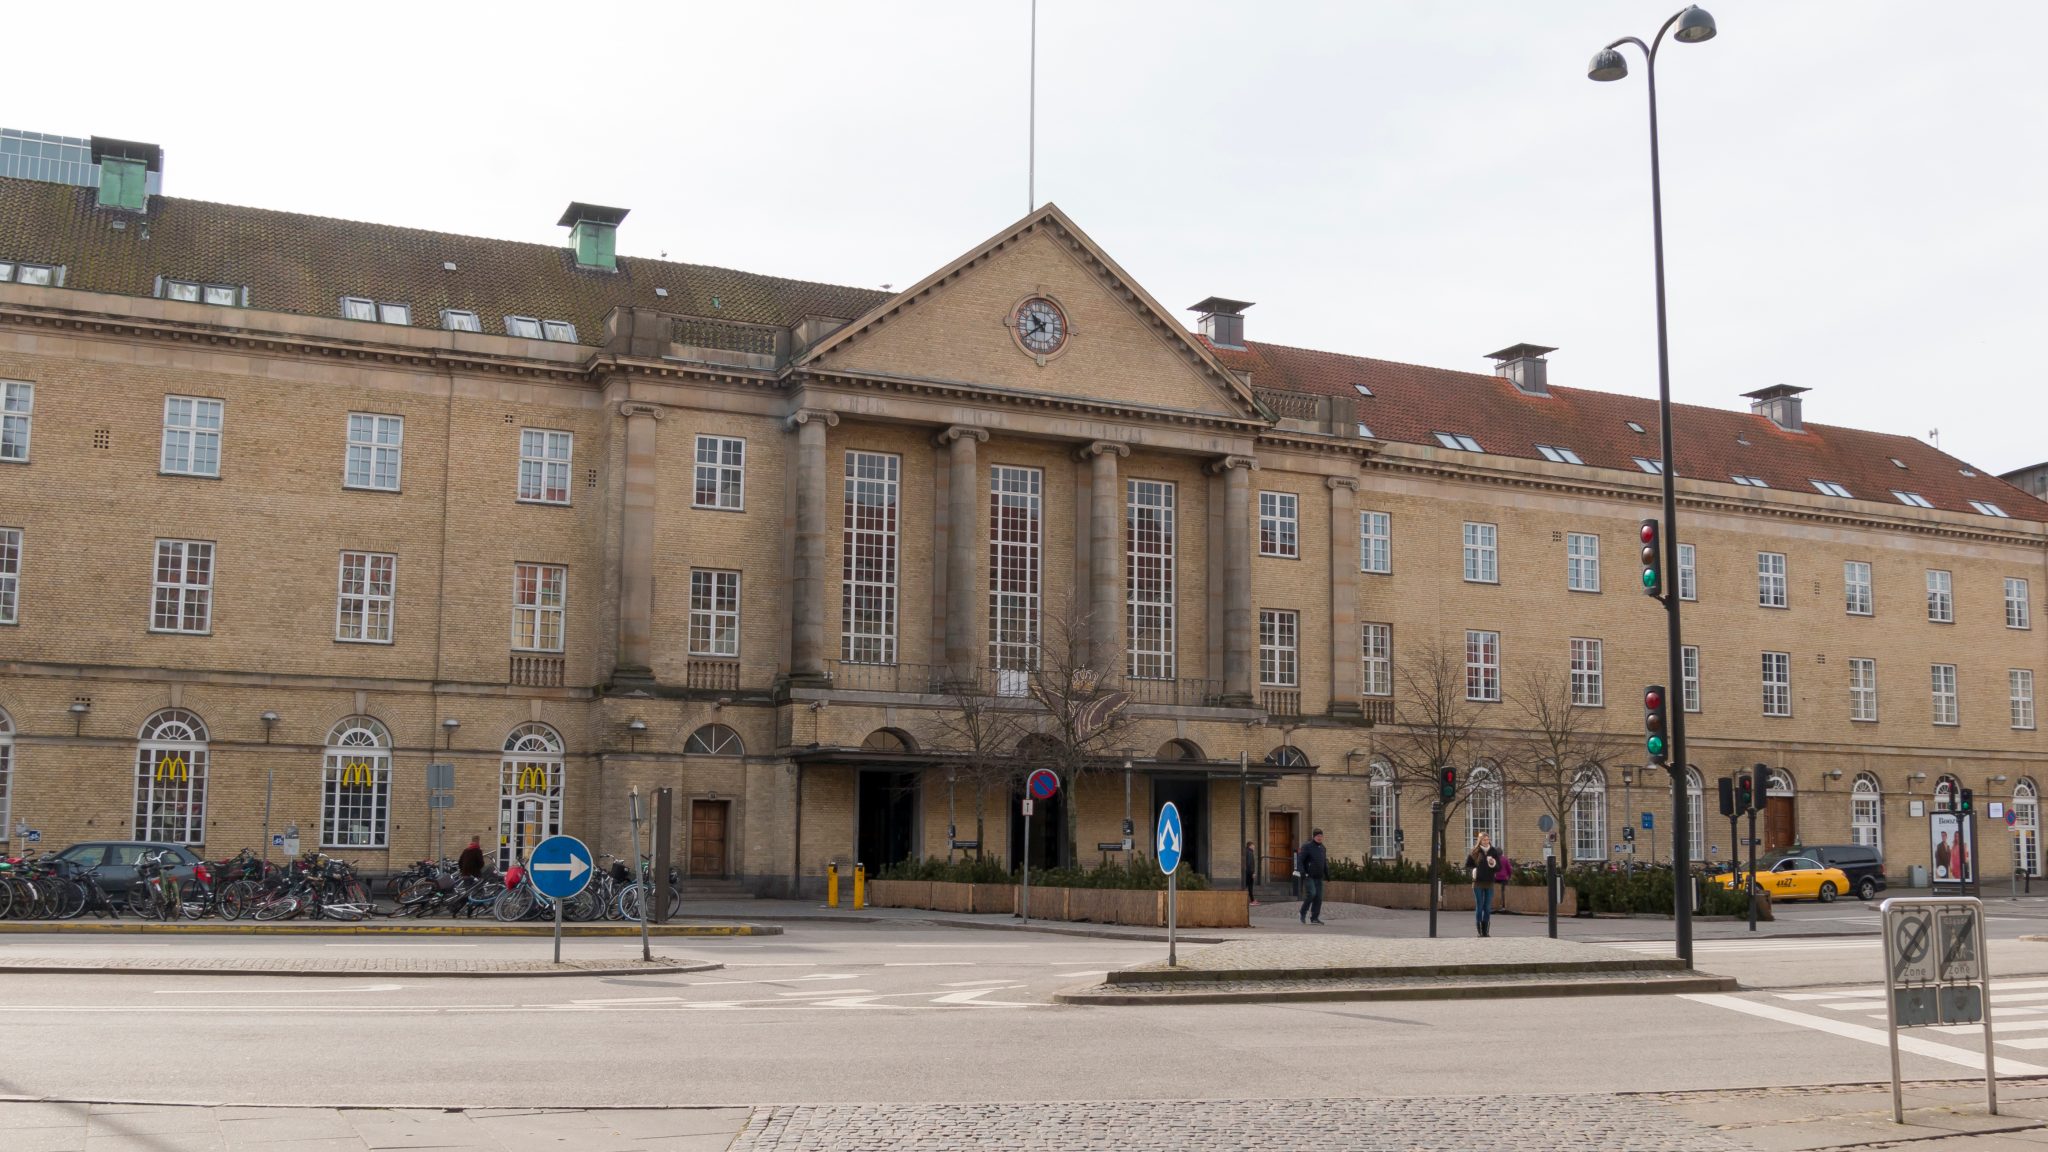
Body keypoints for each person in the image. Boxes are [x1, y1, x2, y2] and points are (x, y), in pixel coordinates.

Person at [1466, 833, 1503, 937]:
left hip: (1489, 882)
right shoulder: (1475, 851)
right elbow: (1468, 865)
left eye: (1487, 840)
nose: (1486, 842)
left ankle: (1486, 931)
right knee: (1480, 905)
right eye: (1484, 840)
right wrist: (1473, 870)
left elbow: (1499, 868)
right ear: (1480, 841)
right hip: (1477, 882)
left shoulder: (1493, 851)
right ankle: (1480, 932)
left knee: (1487, 907)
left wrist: (1493, 863)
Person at [1294, 829, 1328, 925]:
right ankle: (1302, 912)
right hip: (1309, 876)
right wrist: (1303, 872)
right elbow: (1300, 860)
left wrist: (1327, 873)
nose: (1320, 838)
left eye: (1321, 836)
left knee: (1319, 897)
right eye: (1318, 836)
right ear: (1314, 837)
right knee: (1312, 894)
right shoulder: (1307, 847)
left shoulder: (1323, 848)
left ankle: (1314, 917)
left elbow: (1324, 862)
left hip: (1319, 876)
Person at [1243, 840, 1260, 906]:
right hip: (1249, 872)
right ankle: (1252, 901)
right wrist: (1253, 873)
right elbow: (1250, 864)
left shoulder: (1246, 851)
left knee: (1246, 886)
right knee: (1250, 887)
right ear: (1250, 846)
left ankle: (1251, 900)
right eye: (1253, 846)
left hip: (1247, 872)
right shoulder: (1250, 852)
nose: (1254, 847)